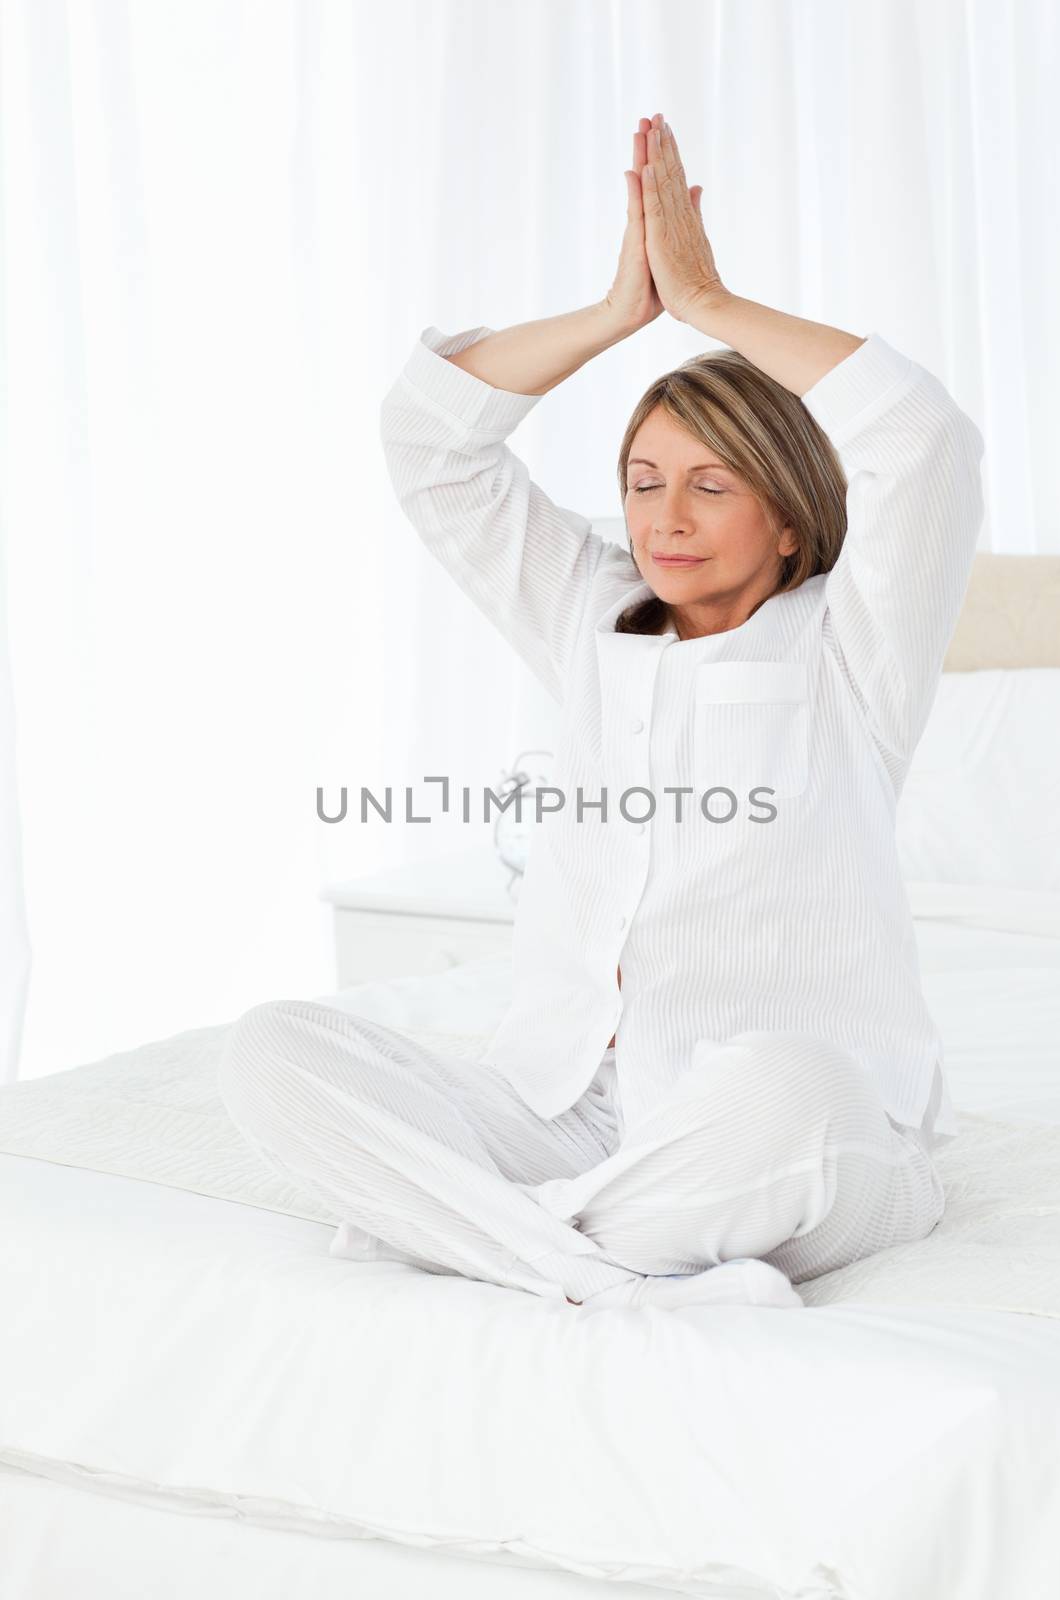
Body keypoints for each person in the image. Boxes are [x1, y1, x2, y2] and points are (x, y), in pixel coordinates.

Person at [218, 113, 985, 1314]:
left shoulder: (853, 647)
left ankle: (482, 1242)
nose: (662, 516)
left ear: (789, 516)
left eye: (709, 483)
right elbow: (429, 442)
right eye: (641, 481)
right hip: (565, 1109)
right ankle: (608, 1273)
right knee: (274, 1051)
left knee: (792, 1095)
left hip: (785, 1124)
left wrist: (708, 302)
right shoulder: (583, 605)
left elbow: (923, 438)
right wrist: (612, 317)